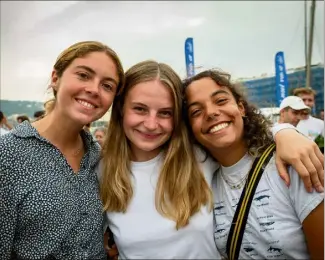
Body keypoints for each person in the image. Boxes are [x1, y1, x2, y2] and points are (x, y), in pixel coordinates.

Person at [100, 60, 324, 259]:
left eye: (165, 113)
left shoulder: (198, 159)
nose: (151, 123)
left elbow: (235, 140)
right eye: (139, 109)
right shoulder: (100, 171)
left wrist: (284, 131)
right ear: (120, 110)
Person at [0, 41, 124, 259]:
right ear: (55, 78)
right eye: (84, 75)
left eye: (107, 85)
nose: (94, 89)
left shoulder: (99, 157)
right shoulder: (8, 155)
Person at [183, 69, 324, 259]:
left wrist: (285, 131)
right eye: (196, 111)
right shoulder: (205, 180)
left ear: (241, 108)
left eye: (221, 100)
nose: (211, 113)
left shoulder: (291, 164)